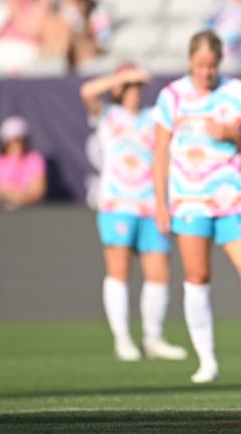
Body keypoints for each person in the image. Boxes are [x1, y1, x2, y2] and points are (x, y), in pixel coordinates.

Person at [152, 30, 241, 384]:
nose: (206, 73)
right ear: (190, 62)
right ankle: (206, 361)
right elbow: (159, 153)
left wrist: (233, 135)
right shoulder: (172, 97)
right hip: (190, 201)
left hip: (233, 199)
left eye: (212, 66)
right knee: (197, 279)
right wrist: (160, 204)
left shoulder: (239, 93)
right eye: (201, 66)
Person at [79, 64, 189, 363]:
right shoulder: (108, 115)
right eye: (131, 85)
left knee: (159, 273)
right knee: (119, 270)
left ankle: (153, 339)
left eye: (139, 85)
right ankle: (122, 339)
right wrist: (119, 77)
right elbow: (86, 91)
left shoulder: (153, 117)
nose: (136, 90)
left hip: (150, 204)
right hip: (117, 203)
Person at [0, 115, 46, 210]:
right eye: (11, 141)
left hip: (29, 214)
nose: (15, 145)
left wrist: (21, 198)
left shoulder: (34, 159)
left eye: (19, 141)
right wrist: (6, 195)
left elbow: (38, 191)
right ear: (5, 143)